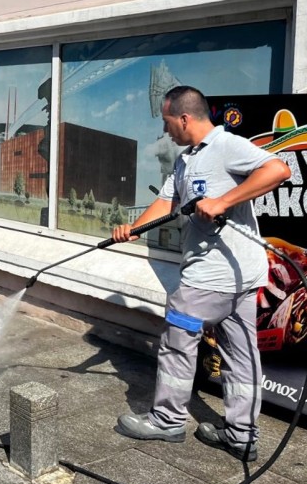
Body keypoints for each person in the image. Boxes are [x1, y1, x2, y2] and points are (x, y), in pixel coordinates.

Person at [112, 86, 291, 462]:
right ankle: (241, 435)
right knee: (241, 356)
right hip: (239, 277)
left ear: (184, 118)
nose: (165, 131)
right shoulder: (185, 160)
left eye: (166, 122)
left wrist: (224, 201)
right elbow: (167, 202)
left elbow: (279, 168)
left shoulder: (226, 146)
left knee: (178, 344)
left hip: (212, 277)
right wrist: (132, 229)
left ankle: (167, 420)